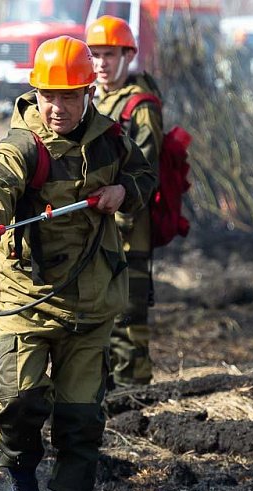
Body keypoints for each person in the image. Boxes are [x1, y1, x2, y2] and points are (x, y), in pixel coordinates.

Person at [0, 36, 156, 491]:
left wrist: (122, 191)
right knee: (19, 400)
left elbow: (144, 176)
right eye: (49, 95)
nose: (57, 107)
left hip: (92, 303)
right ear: (36, 92)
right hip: (26, 297)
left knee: (81, 414)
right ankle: (23, 485)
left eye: (69, 96)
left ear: (87, 93)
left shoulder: (111, 138)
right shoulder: (22, 144)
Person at [87, 15, 164, 388]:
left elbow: (145, 173)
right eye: (95, 54)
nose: (102, 63)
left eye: (110, 54)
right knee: (97, 314)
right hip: (94, 230)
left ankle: (136, 395)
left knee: (128, 319)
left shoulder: (140, 106)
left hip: (129, 231)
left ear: (128, 55)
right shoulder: (93, 99)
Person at [230, 28, 253, 97]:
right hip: (235, 76)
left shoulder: (248, 48)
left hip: (246, 75)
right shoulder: (232, 49)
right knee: (235, 93)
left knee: (246, 92)